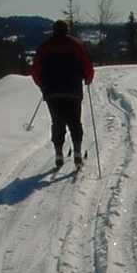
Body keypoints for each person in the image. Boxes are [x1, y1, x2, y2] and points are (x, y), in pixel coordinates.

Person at [31, 20, 95, 168]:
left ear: (54, 30)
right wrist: (88, 79)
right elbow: (87, 65)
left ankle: (58, 153)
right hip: (73, 91)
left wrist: (42, 85)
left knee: (57, 122)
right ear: (67, 30)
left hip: (52, 92)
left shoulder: (45, 47)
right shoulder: (77, 45)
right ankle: (77, 152)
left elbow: (35, 70)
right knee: (75, 121)